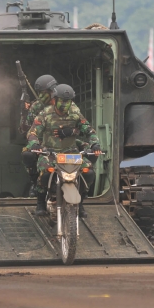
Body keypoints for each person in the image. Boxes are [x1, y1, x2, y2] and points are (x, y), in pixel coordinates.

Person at [26, 84, 101, 217]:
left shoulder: (75, 113)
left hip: (71, 153)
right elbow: (33, 132)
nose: (65, 104)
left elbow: (89, 130)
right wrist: (35, 144)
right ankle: (40, 203)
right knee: (45, 173)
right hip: (50, 152)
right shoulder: (45, 114)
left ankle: (81, 202)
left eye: (68, 101)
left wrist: (95, 144)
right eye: (62, 100)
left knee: (88, 173)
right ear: (55, 99)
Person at [20, 75, 58, 197]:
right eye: (39, 93)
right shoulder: (36, 106)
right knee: (28, 155)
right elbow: (24, 129)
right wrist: (24, 112)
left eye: (43, 93)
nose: (41, 96)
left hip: (61, 141)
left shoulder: (64, 104)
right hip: (41, 143)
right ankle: (35, 182)